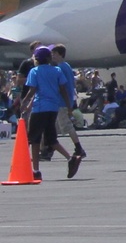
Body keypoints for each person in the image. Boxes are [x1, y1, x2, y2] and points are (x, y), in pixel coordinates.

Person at [22, 46, 81, 179]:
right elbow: (63, 89)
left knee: (34, 139)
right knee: (51, 138)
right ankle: (71, 158)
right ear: (49, 58)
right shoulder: (57, 70)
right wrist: (69, 105)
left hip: (39, 108)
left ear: (36, 59)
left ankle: (36, 171)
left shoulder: (34, 71)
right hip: (53, 108)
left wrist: (24, 104)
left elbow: (32, 91)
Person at [49, 44, 85, 163]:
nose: (52, 55)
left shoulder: (59, 68)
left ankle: (78, 148)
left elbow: (61, 85)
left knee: (67, 126)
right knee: (56, 126)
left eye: (54, 53)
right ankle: (50, 148)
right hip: (66, 100)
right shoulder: (67, 66)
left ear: (60, 54)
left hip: (61, 101)